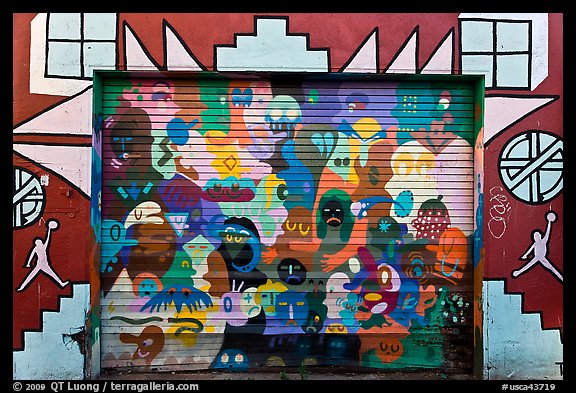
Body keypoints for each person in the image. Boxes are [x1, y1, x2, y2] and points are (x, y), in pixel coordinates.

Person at [16, 219, 69, 292]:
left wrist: (49, 230)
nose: (39, 242)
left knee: (52, 274)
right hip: (39, 264)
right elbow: (31, 256)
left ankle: (61, 283)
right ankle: (22, 287)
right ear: (36, 243)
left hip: (45, 264)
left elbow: (47, 239)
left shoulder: (44, 246)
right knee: (30, 276)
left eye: (40, 241)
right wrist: (28, 263)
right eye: (38, 241)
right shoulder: (36, 248)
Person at [512, 211, 563, 282]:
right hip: (536, 257)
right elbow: (530, 250)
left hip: (542, 257)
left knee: (552, 268)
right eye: (535, 236)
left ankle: (561, 277)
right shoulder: (535, 243)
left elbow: (548, 232)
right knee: (527, 266)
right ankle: (518, 272)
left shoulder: (543, 241)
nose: (536, 236)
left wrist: (549, 223)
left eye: (537, 235)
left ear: (540, 236)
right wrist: (525, 255)